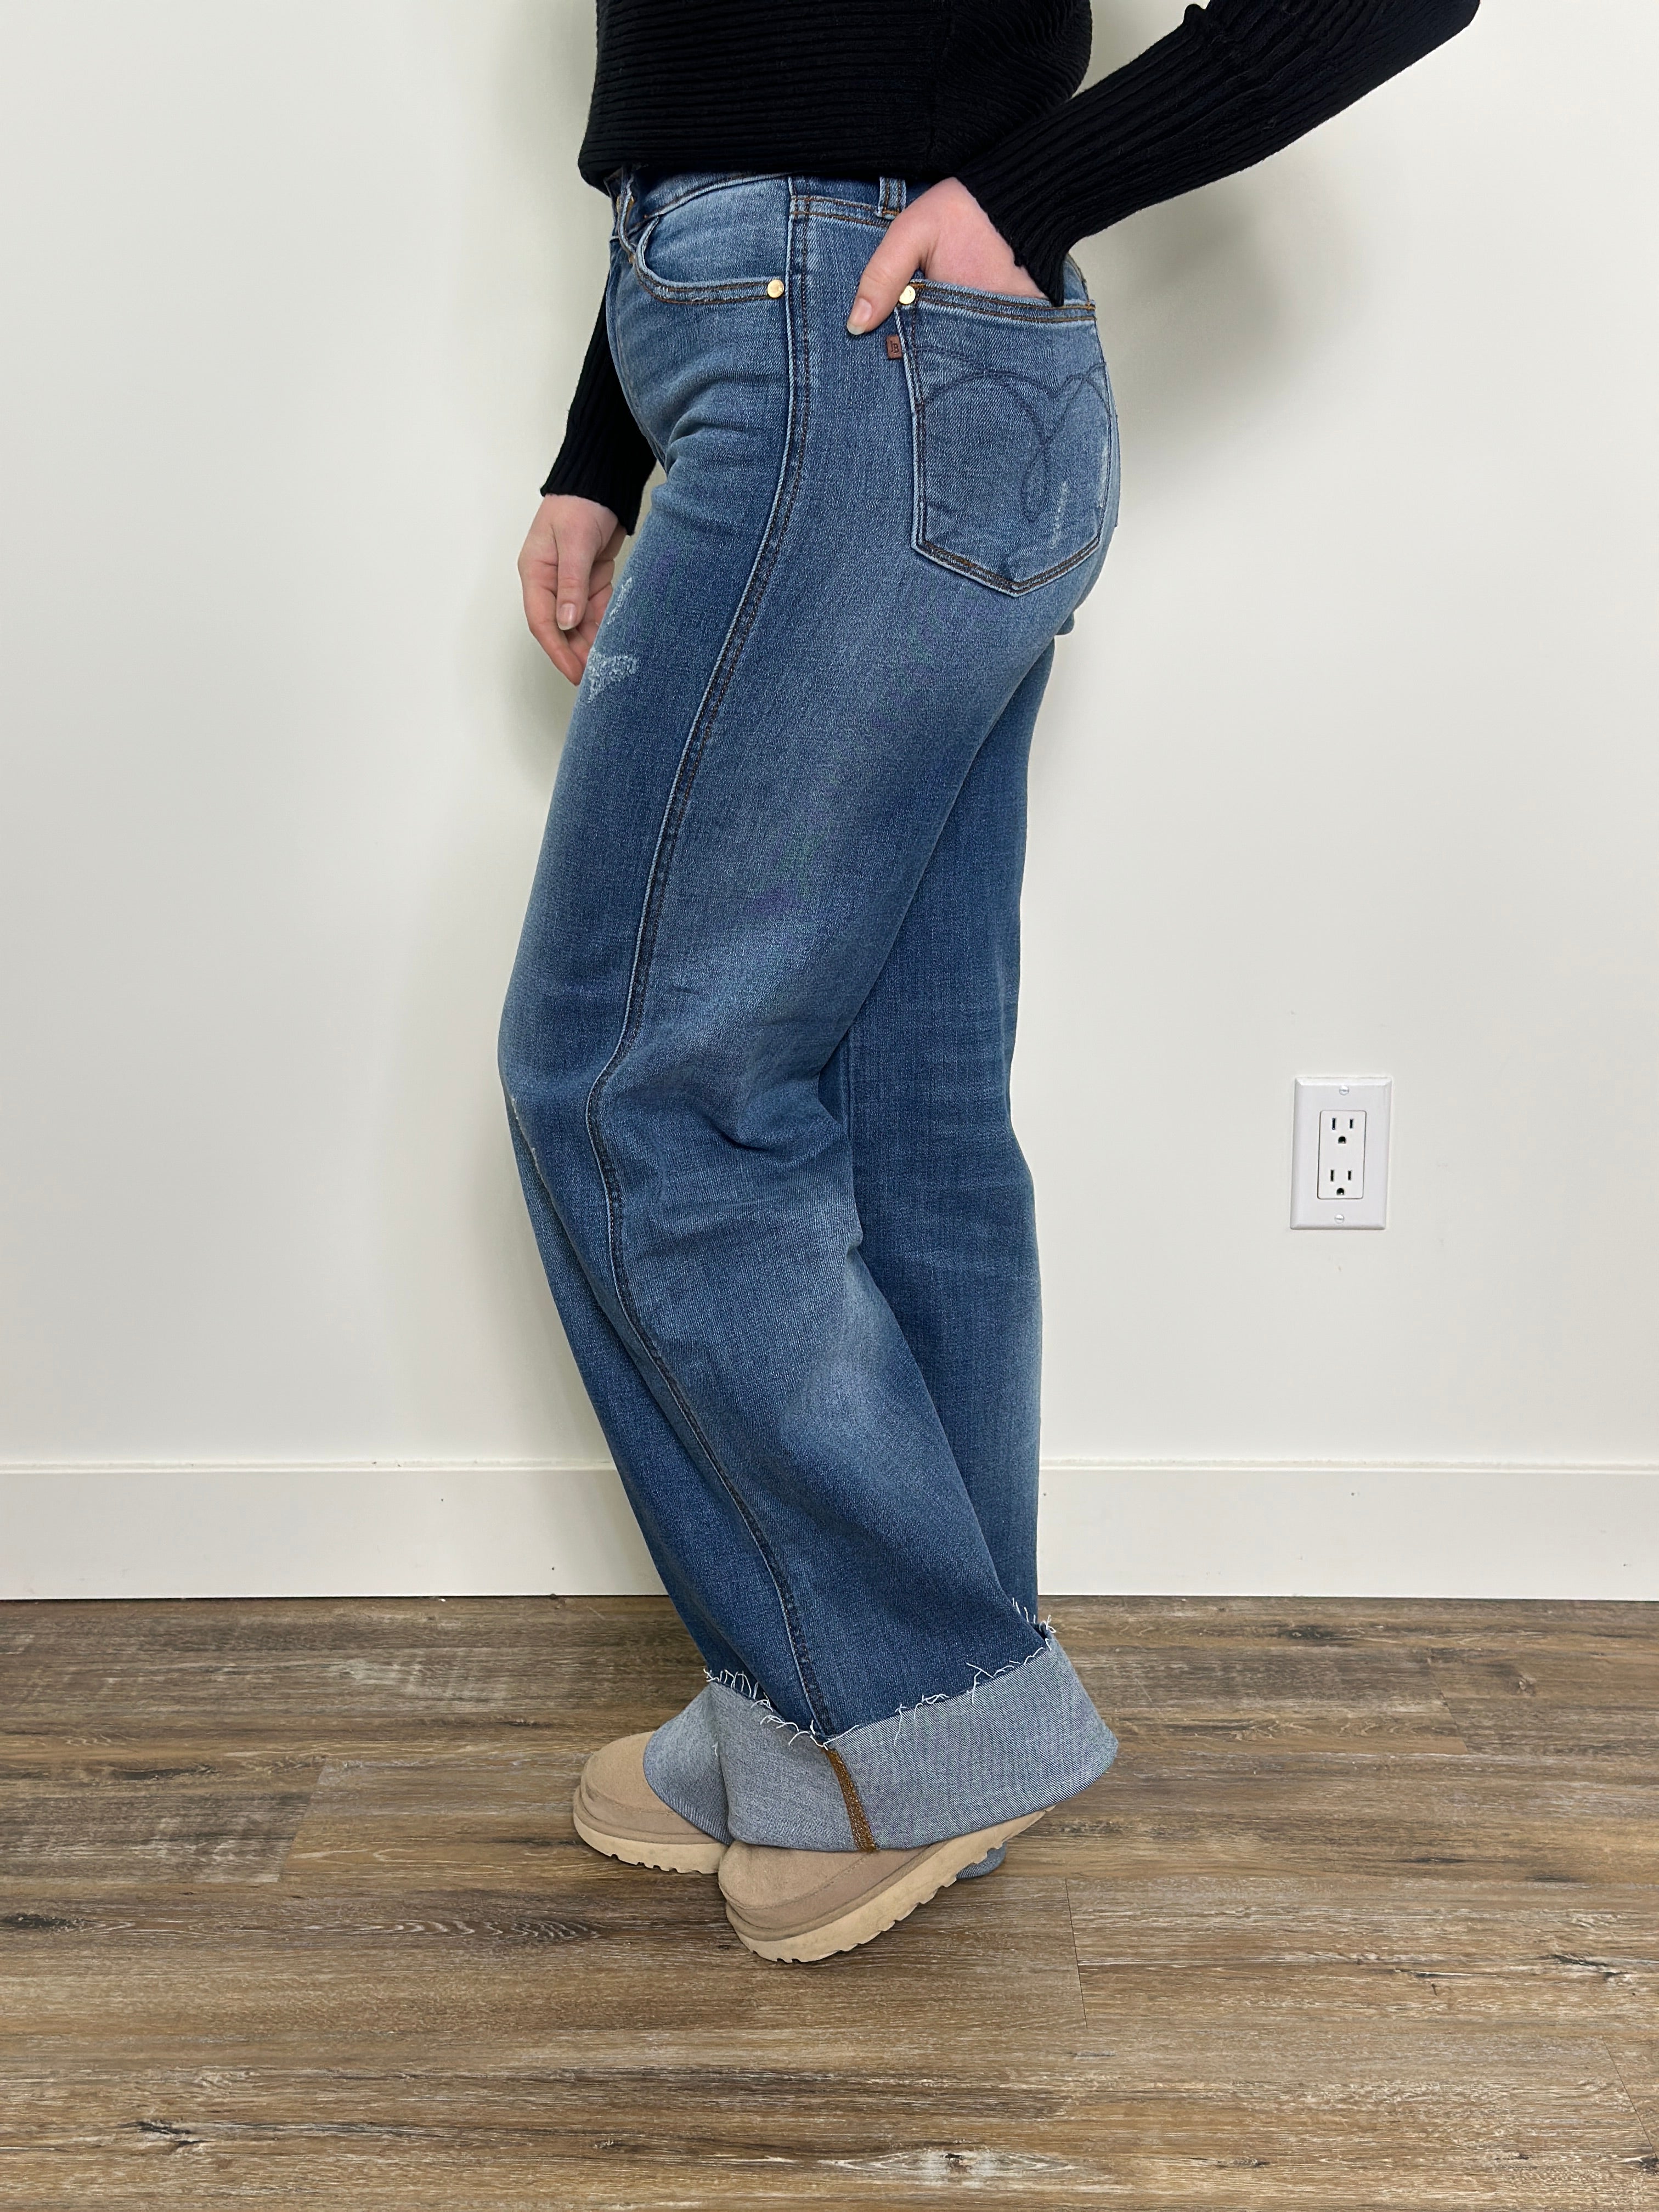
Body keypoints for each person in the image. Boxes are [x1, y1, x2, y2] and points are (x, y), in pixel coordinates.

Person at [499, 0, 1478, 1963]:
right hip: (861, 363)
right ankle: (880, 1716)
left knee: (627, 1085)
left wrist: (1029, 196)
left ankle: (897, 1717)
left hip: (853, 348)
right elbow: (740, 65)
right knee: (894, 1104)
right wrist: (602, 444)